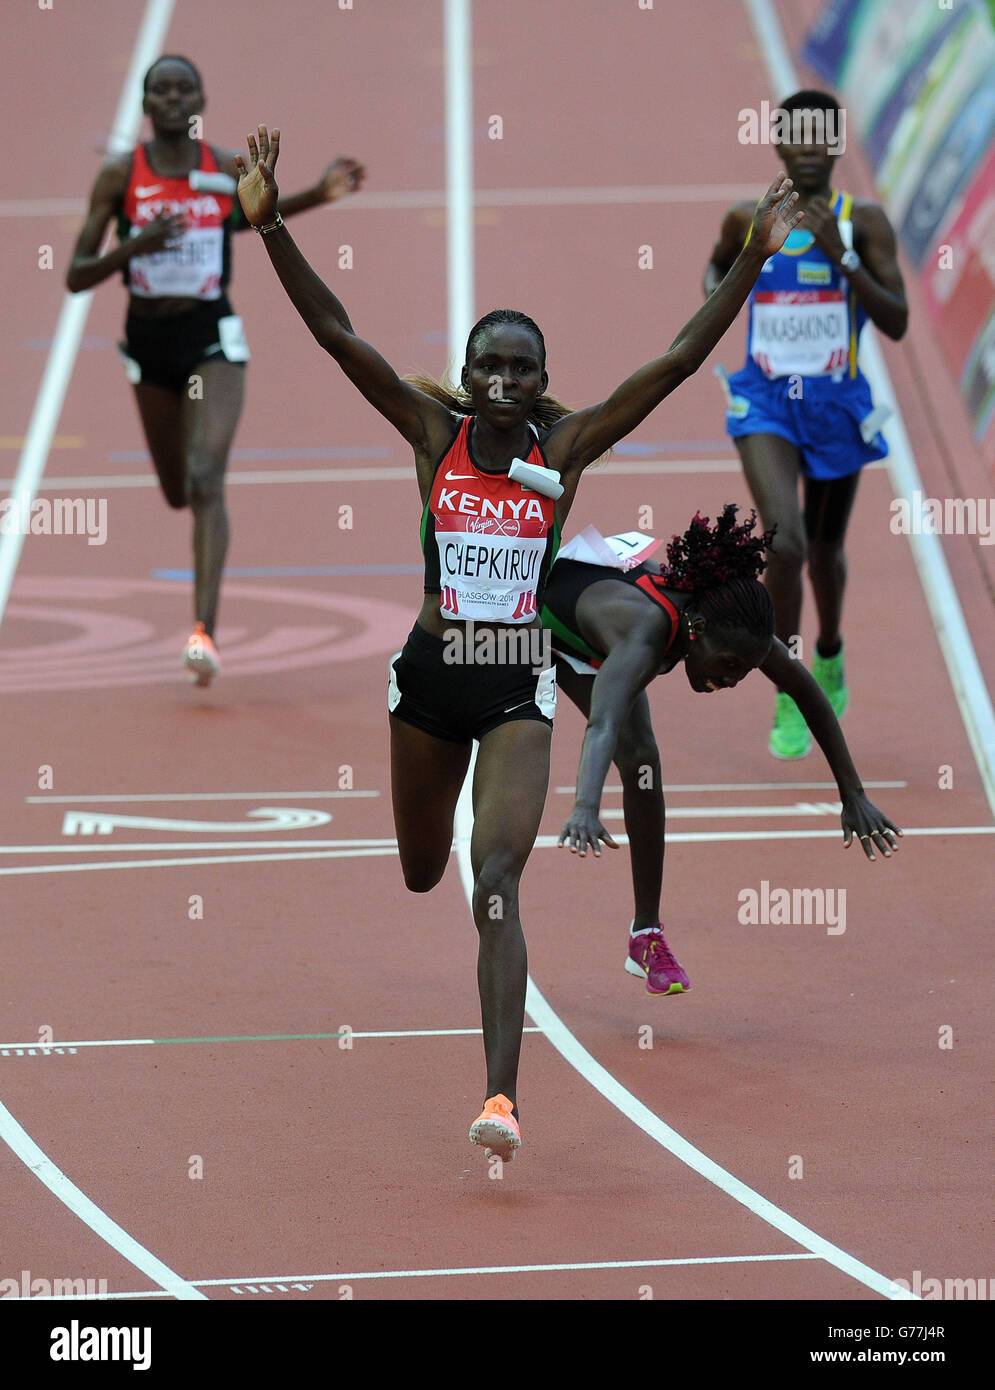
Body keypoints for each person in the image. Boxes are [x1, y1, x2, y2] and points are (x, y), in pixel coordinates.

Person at [234, 123, 802, 1160]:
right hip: (427, 677)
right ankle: (465, 961)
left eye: (522, 367)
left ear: (542, 381)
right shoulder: (428, 431)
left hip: (511, 685)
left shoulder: (566, 445)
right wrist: (270, 229)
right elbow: (335, 331)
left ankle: (499, 1098)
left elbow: (675, 363)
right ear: (466, 370)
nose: (503, 380)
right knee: (420, 871)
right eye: (489, 363)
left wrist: (753, 260)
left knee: (493, 874)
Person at [66, 56, 364, 684]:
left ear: (200, 98)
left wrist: (319, 190)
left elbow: (257, 213)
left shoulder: (219, 169)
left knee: (206, 480)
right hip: (149, 347)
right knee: (179, 491)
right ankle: (200, 591)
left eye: (184, 89)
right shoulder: (121, 177)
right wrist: (135, 246)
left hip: (212, 340)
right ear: (146, 103)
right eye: (161, 89)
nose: (174, 99)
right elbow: (75, 275)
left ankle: (203, 631)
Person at [543, 505, 902, 995]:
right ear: (695, 632)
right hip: (535, 623)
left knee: (644, 759)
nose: (731, 680)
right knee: (639, 756)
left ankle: (645, 934)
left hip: (599, 592)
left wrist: (853, 793)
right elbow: (603, 722)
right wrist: (586, 806)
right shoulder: (643, 636)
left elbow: (809, 694)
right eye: (728, 665)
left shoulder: (733, 625)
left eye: (744, 672)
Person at [704, 89, 907, 758]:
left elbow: (896, 321)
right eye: (798, 141)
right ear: (779, 145)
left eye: (823, 142)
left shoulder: (862, 223)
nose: (811, 153)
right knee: (783, 542)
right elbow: (715, 265)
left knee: (822, 553)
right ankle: (789, 685)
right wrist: (721, 296)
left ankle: (828, 651)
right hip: (763, 402)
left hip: (837, 407)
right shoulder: (749, 218)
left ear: (836, 147)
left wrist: (840, 257)